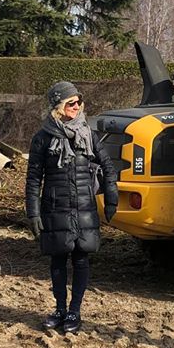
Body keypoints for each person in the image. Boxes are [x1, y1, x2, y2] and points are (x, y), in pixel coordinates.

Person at [25, 81, 118, 334]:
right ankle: (59, 309)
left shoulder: (88, 134)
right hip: (55, 206)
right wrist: (32, 212)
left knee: (81, 258)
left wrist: (111, 198)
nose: (76, 107)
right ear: (58, 106)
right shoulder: (42, 138)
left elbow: (109, 167)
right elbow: (34, 178)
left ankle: (75, 311)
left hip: (84, 206)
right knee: (57, 260)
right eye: (70, 103)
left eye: (78, 102)